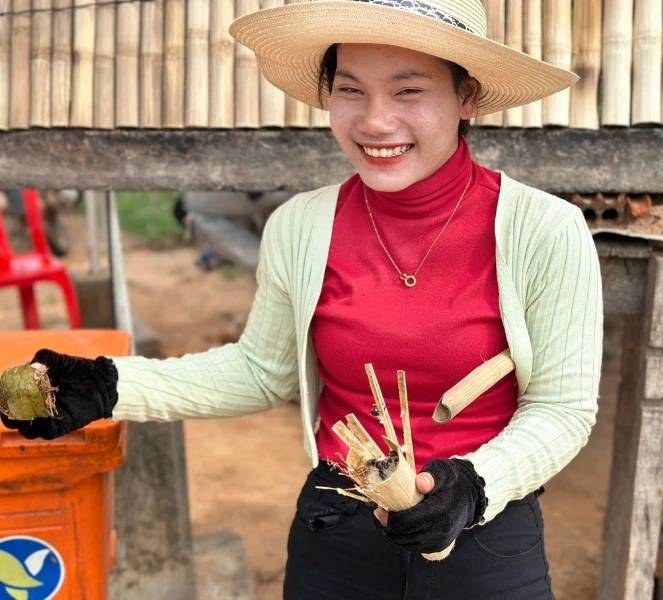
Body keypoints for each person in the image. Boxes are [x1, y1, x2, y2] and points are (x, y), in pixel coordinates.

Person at [1, 1, 603, 598]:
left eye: (408, 90)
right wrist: (109, 386)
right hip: (339, 530)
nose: (374, 121)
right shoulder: (301, 226)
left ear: (467, 97)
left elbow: (562, 407)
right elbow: (263, 371)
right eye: (351, 90)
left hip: (488, 530)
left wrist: (472, 486)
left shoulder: (543, 229)